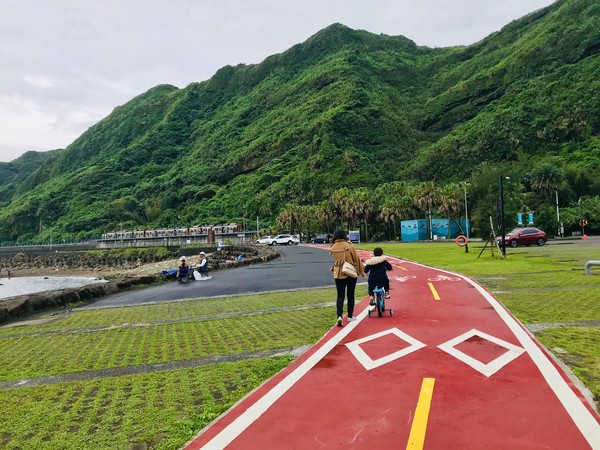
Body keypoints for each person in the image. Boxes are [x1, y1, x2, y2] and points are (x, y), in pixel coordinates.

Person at [329, 229, 365, 327]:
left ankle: (339, 316)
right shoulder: (349, 245)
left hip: (338, 273)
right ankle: (350, 315)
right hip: (350, 271)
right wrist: (362, 271)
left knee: (340, 296)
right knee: (350, 294)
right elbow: (356, 259)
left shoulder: (332, 247)